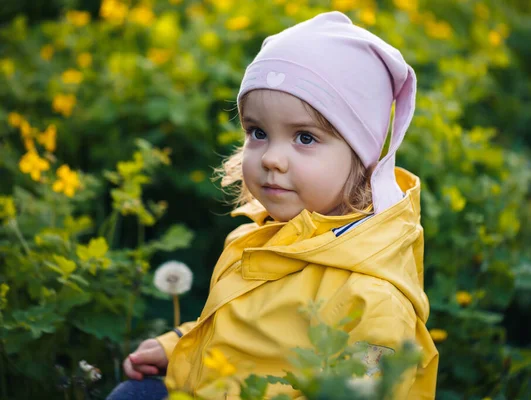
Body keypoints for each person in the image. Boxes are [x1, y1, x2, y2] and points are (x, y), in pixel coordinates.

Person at [107, 11, 438, 400]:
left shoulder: (373, 294)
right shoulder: (260, 232)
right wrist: (177, 344)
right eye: (258, 133)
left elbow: (363, 391)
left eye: (305, 137)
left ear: (362, 154)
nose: (271, 158)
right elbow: (243, 332)